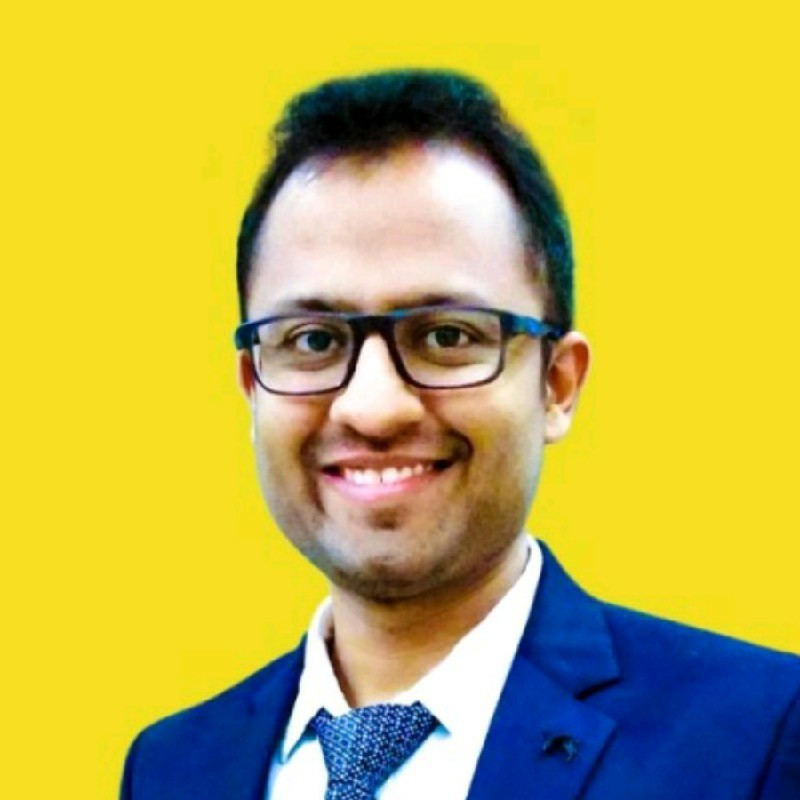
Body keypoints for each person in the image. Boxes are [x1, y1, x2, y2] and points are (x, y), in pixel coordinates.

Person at [120, 69, 800, 800]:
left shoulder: (756, 737)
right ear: (252, 385)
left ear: (557, 384)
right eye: (313, 340)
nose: (373, 408)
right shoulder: (172, 768)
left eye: (447, 335)